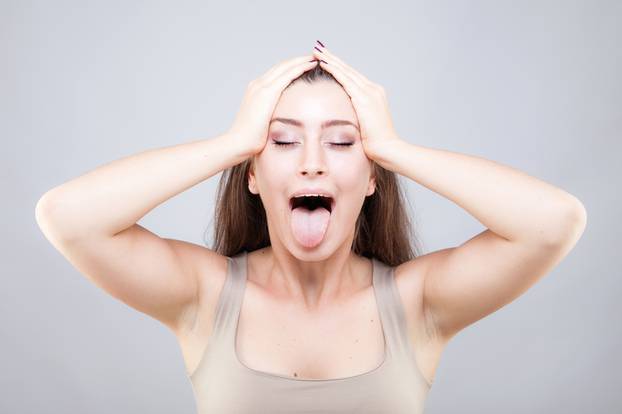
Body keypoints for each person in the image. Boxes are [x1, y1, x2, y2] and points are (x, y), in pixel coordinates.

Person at [35, 40, 587, 413]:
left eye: (343, 141)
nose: (312, 161)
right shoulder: (205, 295)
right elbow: (67, 217)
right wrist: (233, 143)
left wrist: (393, 148)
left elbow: (554, 222)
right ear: (254, 173)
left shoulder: (417, 304)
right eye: (282, 139)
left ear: (373, 178)